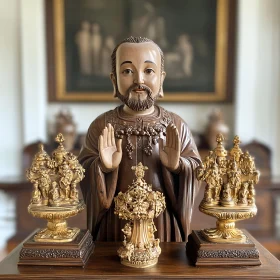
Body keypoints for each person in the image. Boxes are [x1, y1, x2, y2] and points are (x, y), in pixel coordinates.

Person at [78, 36, 201, 242]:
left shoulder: (176, 125)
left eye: (148, 71)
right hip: (115, 225)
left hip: (162, 226)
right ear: (113, 79)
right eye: (127, 71)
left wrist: (179, 166)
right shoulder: (102, 126)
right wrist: (101, 167)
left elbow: (196, 169)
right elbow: (81, 171)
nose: (139, 80)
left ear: (161, 78)